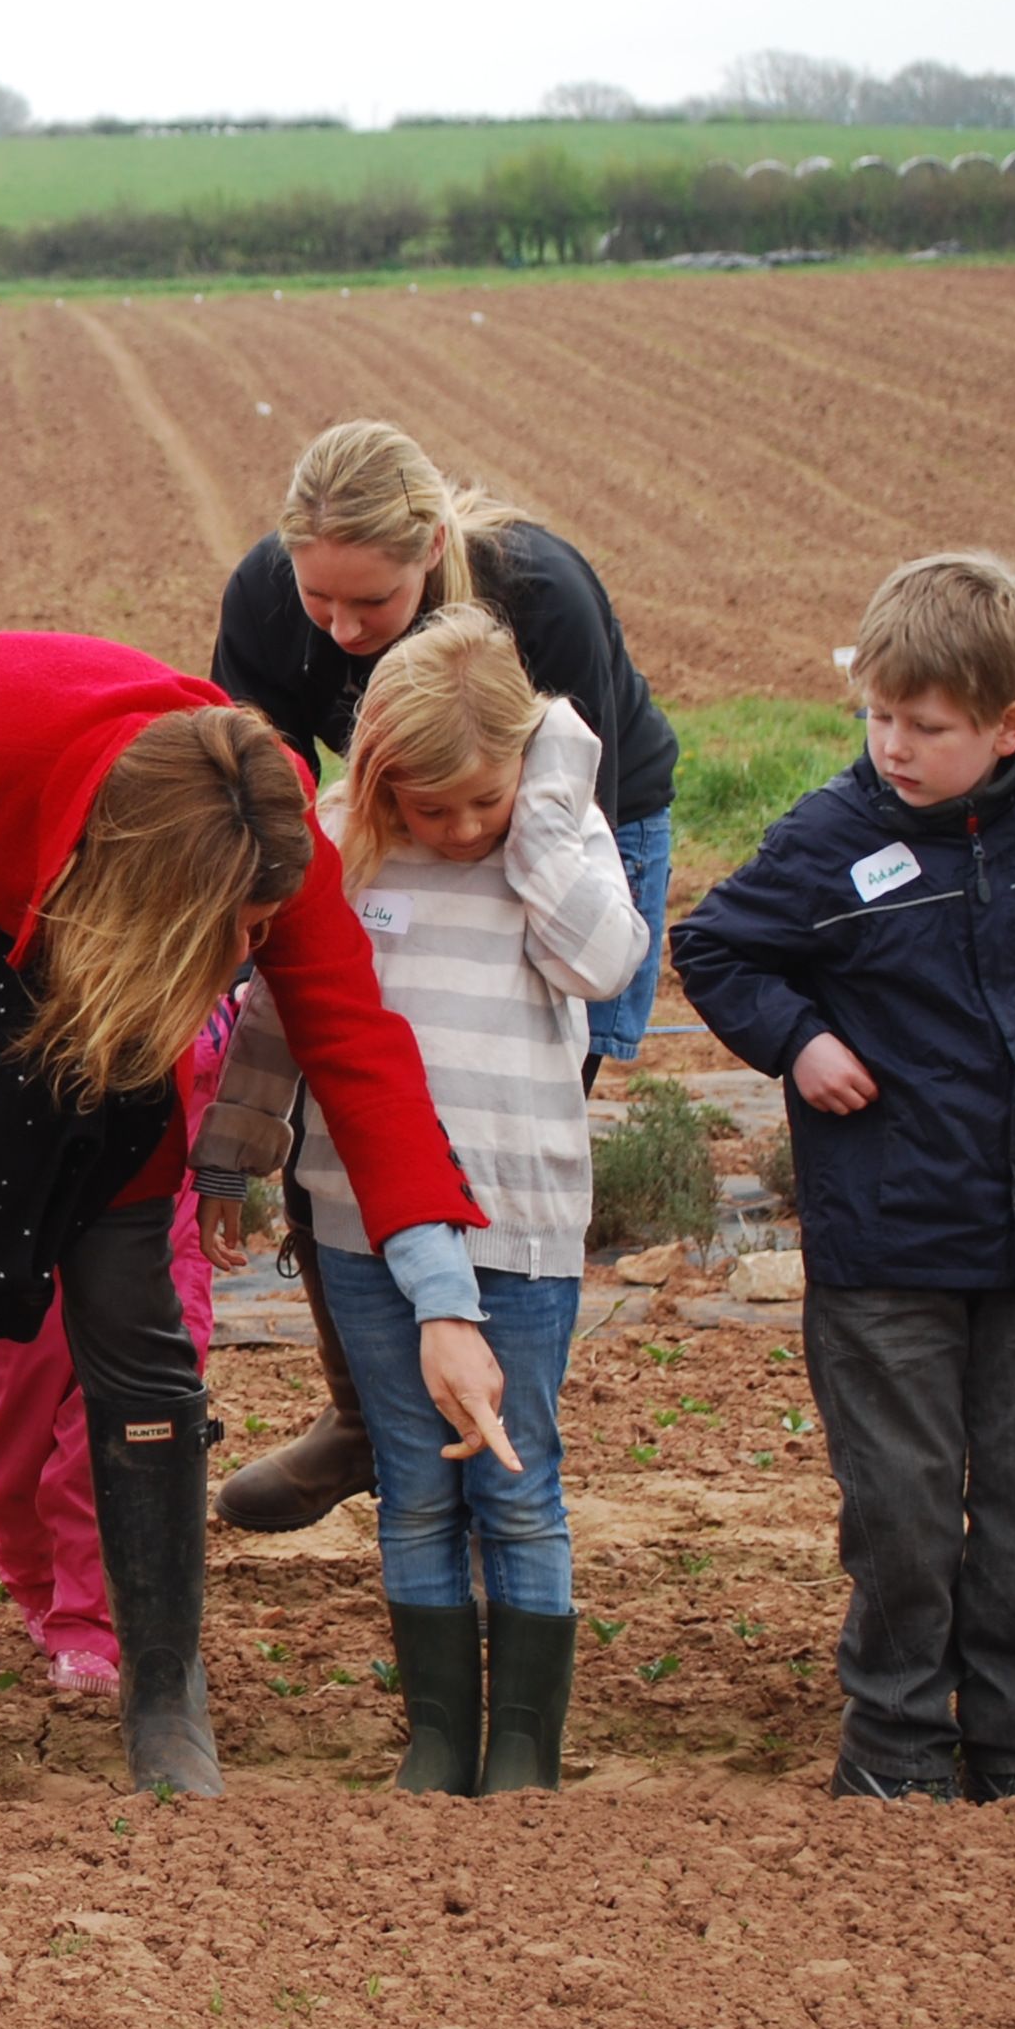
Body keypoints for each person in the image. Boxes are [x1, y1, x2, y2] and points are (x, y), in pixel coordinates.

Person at [0, 631, 486, 1804]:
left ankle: (163, 1693)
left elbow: (352, 1042)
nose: (249, 960)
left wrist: (440, 1292)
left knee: (136, 1334)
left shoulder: (260, 825)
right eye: (229, 941)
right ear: (141, 880)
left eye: (254, 936)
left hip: (114, 1018)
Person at [673, 552, 1015, 1806]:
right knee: (903, 1514)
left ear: (1006, 728)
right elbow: (714, 949)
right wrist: (801, 1042)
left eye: (925, 729)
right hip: (884, 1248)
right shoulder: (827, 840)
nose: (893, 747)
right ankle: (892, 1745)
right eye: (877, 717)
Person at [196, 608, 644, 1794]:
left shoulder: (554, 842)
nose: (453, 830)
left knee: (515, 1478)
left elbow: (605, 965)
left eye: (479, 803)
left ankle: (524, 1749)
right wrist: (233, 1151)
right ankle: (439, 1734)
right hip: (359, 1225)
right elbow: (275, 1018)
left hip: (522, 1218)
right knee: (409, 1478)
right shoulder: (341, 843)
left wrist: (540, 817)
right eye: (426, 807)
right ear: (378, 775)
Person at [207, 419, 678, 1538]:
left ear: (427, 548)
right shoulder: (269, 599)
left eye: (367, 604)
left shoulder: (538, 594)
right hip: (392, 827)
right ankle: (365, 1412)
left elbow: (560, 815)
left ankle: (498, 1420)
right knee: (338, 1095)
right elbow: (260, 784)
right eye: (318, 600)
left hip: (568, 833)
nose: (338, 627)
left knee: (513, 1112)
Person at [0, 995, 233, 1699]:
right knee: (16, 1425)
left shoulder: (213, 955)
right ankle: (33, 1572)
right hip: (31, 1204)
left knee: (121, 1421)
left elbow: (245, 1075)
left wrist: (225, 1176)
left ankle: (89, 1618)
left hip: (165, 1217)